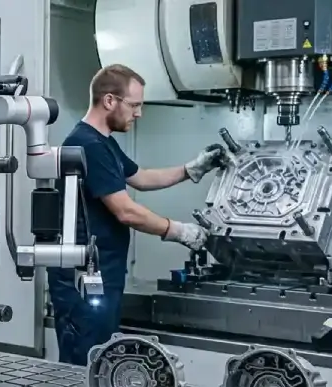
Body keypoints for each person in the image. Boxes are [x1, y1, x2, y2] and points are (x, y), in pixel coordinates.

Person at [50, 64, 232, 366]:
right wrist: (179, 231)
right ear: (110, 101)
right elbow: (126, 211)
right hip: (83, 278)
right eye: (134, 105)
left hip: (102, 273)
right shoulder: (86, 144)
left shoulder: (102, 142)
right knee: (85, 367)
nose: (139, 113)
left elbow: (141, 177)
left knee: (99, 364)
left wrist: (192, 169)